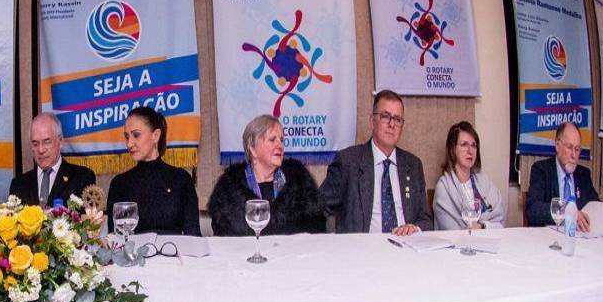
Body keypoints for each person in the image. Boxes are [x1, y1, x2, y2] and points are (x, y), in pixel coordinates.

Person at [320, 89, 432, 235]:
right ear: (372, 121)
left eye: (398, 119)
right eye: (385, 116)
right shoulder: (348, 162)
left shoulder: (413, 165)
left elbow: (426, 220)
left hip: (406, 245)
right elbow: (318, 208)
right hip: (362, 247)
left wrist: (415, 228)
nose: (392, 124)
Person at [208, 114, 326, 236]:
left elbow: (317, 227)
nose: (280, 146)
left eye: (281, 140)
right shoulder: (229, 187)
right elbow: (223, 235)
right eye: (272, 140)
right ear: (253, 149)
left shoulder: (299, 180)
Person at [106, 106, 200, 236]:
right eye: (127, 137)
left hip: (175, 249)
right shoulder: (119, 184)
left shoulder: (181, 179)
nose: (129, 144)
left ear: (156, 135)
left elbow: (194, 236)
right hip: (133, 250)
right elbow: (115, 238)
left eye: (136, 135)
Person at [8, 113, 96, 207]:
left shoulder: (82, 178)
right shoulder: (18, 184)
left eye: (47, 142)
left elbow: (89, 215)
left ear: (60, 141)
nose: (41, 150)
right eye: (35, 144)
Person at [524, 121, 598, 232]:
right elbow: (533, 209)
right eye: (569, 147)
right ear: (558, 146)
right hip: (550, 237)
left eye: (577, 149)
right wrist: (567, 211)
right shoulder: (542, 170)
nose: (573, 155)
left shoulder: (583, 174)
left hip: (579, 237)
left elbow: (596, 205)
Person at [433, 121, 505, 230]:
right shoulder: (444, 187)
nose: (470, 151)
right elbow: (451, 230)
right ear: (453, 149)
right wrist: (485, 222)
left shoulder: (484, 180)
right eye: (464, 144)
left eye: (473, 145)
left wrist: (482, 226)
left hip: (488, 239)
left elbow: (500, 220)